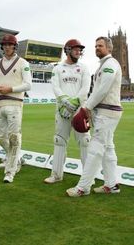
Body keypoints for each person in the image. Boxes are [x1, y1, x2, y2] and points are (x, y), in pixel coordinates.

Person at [66, 36, 122, 197]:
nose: (97, 48)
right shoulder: (103, 65)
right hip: (104, 111)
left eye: (101, 46)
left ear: (109, 48)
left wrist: (86, 108)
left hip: (108, 111)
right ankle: (112, 184)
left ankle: (83, 188)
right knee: (108, 148)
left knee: (96, 148)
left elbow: (103, 89)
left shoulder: (110, 64)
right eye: (96, 46)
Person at [44, 39, 91, 184]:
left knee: (85, 141)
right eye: (76, 49)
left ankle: (88, 177)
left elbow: (85, 88)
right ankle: (56, 175)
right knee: (59, 140)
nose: (79, 52)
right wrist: (65, 102)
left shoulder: (84, 68)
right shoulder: (58, 68)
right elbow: (56, 87)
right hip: (62, 110)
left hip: (79, 111)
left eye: (80, 50)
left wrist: (75, 103)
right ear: (68, 50)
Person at [0, 34, 32, 183]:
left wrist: (11, 89)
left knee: (14, 138)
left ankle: (10, 171)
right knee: (2, 138)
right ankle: (17, 159)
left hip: (15, 103)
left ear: (15, 46)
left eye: (10, 44)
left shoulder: (23, 63)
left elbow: (28, 85)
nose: (7, 47)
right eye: (5, 45)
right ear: (2, 46)